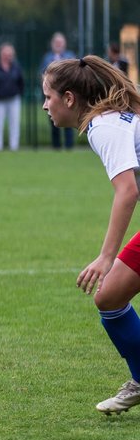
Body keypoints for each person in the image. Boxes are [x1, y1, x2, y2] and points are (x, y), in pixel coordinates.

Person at [41, 54, 140, 414]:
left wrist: (106, 256)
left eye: (48, 97)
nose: (44, 105)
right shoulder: (112, 118)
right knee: (109, 297)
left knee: (109, 293)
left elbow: (128, 191)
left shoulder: (104, 127)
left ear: (69, 99)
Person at [41, 32, 77, 149]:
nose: (58, 45)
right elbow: (42, 74)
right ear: (52, 44)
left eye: (60, 42)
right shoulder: (47, 58)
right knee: (53, 119)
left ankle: (69, 146)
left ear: (64, 44)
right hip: (52, 95)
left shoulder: (70, 56)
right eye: (56, 42)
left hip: (67, 95)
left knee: (68, 119)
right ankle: (56, 146)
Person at [0, 42, 23, 151]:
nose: (8, 56)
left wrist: (18, 92)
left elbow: (21, 82)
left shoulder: (16, 67)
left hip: (13, 99)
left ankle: (14, 147)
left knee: (15, 123)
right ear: (1, 54)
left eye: (10, 54)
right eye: (5, 53)